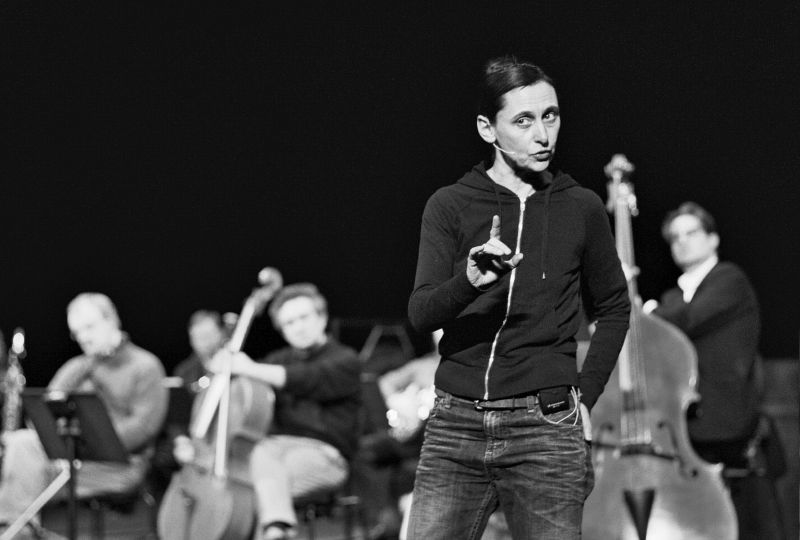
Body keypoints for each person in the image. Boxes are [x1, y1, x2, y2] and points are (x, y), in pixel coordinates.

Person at [406, 56, 631, 539]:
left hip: (545, 428)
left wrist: (585, 395)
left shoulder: (582, 207)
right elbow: (421, 313)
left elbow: (614, 307)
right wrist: (468, 280)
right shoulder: (450, 204)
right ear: (489, 129)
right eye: (524, 121)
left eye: (550, 116)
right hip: (455, 425)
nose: (543, 135)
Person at [645, 202, 784, 539]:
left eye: (691, 232)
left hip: (723, 426)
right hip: (683, 426)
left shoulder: (728, 279)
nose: (682, 241)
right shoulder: (674, 294)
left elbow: (685, 320)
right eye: (675, 237)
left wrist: (648, 312)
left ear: (713, 239)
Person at [0, 293, 168, 538]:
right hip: (71, 460)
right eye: (76, 332)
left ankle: (17, 530)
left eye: (89, 328)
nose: (84, 338)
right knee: (20, 444)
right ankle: (17, 529)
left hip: (121, 468)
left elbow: (143, 429)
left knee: (24, 465)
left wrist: (82, 445)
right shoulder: (77, 366)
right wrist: (87, 365)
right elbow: (43, 414)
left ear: (111, 320)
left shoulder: (146, 365)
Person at [206, 283, 362, 540]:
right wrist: (221, 367)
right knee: (258, 475)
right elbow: (241, 388)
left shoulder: (345, 360)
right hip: (275, 454)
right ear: (282, 330)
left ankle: (276, 527)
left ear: (322, 317)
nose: (298, 327)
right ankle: (277, 529)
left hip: (326, 457)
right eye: (289, 323)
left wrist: (249, 367)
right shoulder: (278, 359)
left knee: (255, 480)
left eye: (304, 317)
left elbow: (305, 379)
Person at [173, 310, 228, 390]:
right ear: (191, 340)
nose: (205, 342)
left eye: (208, 335)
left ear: (221, 333)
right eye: (199, 337)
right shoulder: (183, 372)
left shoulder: (233, 364)